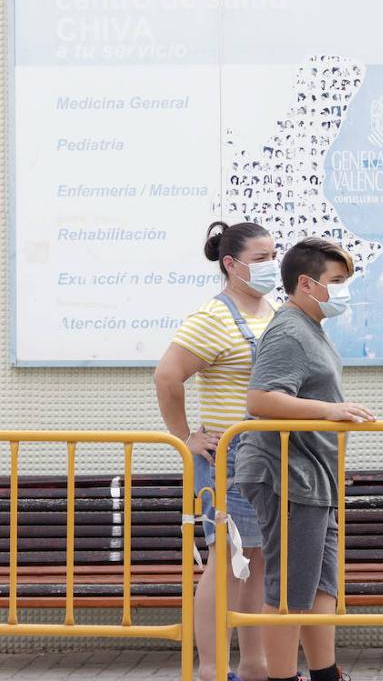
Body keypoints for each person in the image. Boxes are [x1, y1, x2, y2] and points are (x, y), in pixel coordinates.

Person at [235, 238, 376, 681]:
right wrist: (330, 411)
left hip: (313, 477)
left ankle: (325, 673)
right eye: (337, 281)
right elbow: (260, 398)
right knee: (291, 589)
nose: (344, 290)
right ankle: (283, 677)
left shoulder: (309, 328)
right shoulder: (290, 329)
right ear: (306, 283)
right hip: (286, 475)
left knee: (319, 585)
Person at [155, 222, 276, 681]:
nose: (271, 265)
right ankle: (211, 670)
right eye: (261, 258)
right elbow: (167, 376)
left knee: (258, 563)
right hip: (231, 457)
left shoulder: (272, 309)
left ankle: (255, 667)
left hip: (268, 456)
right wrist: (186, 436)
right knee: (225, 564)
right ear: (231, 264)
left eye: (272, 256)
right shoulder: (214, 316)